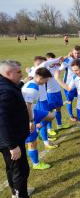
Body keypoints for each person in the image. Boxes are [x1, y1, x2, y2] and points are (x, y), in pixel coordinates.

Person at [0, 60, 30, 198]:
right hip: (11, 140)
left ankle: (15, 192)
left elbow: (15, 87)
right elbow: (2, 119)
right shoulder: (5, 90)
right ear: (8, 73)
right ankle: (20, 195)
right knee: (20, 170)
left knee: (11, 167)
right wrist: (12, 145)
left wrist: (23, 81)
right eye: (18, 72)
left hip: (8, 138)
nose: (21, 74)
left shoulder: (6, 83)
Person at [22, 67, 56, 170]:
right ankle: (36, 164)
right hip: (25, 116)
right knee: (32, 142)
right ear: (41, 78)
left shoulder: (33, 83)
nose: (46, 82)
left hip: (33, 112)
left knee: (51, 115)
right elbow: (27, 107)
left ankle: (39, 128)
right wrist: (31, 121)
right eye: (46, 80)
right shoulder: (33, 89)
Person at [59, 45, 80, 121]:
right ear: (72, 52)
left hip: (78, 84)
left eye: (78, 53)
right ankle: (71, 116)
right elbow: (60, 68)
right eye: (75, 53)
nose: (77, 55)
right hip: (68, 85)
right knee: (69, 101)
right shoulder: (68, 60)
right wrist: (64, 59)